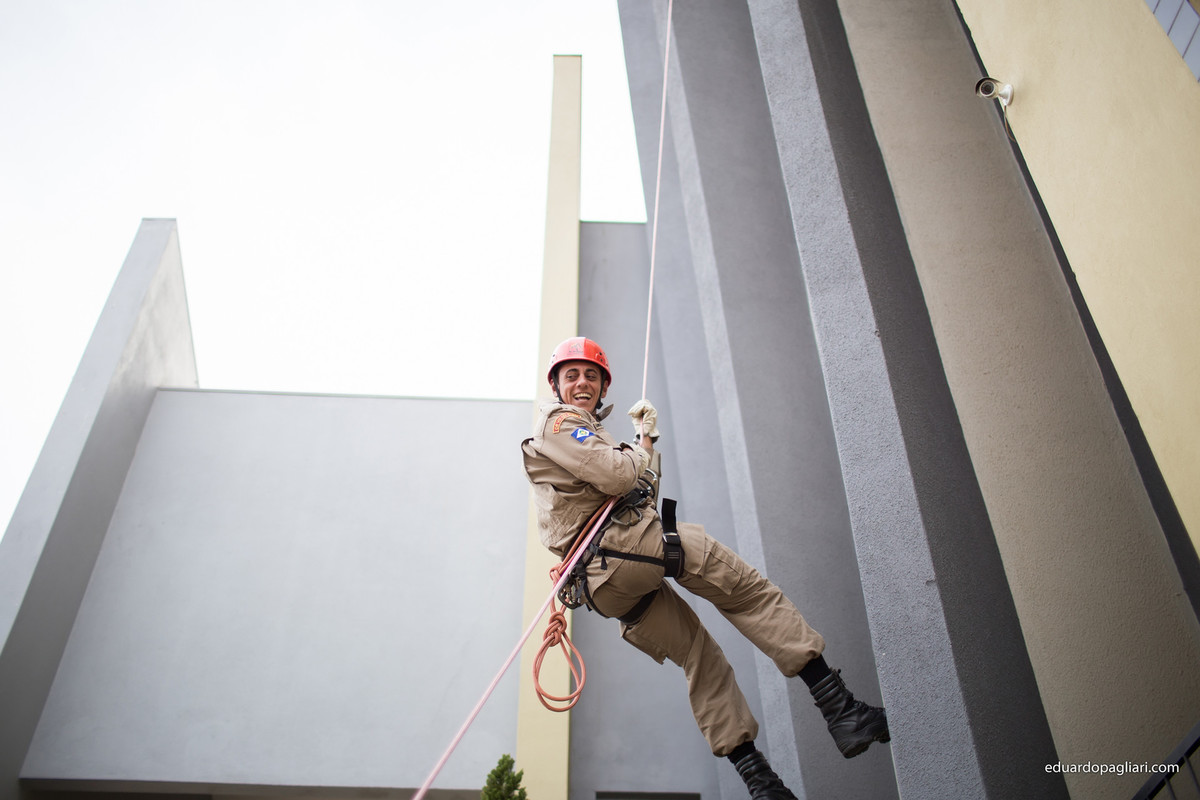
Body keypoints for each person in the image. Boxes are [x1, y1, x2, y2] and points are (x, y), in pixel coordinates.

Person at [520, 337, 890, 799]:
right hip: (625, 550)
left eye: (591, 376)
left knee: (700, 658)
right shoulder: (560, 423)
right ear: (555, 384)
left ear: (602, 387)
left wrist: (644, 443)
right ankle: (841, 709)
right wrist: (636, 452)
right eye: (572, 375)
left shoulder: (586, 437)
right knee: (748, 593)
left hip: (608, 583)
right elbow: (620, 477)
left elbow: (637, 488)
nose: (582, 383)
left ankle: (762, 784)